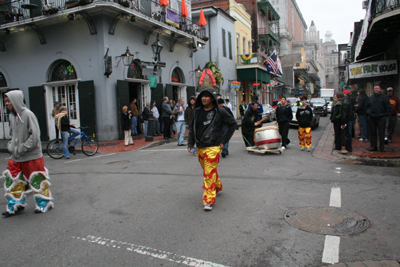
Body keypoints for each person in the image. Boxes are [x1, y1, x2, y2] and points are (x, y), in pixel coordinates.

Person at [3, 90, 54, 217]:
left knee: (37, 180)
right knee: (13, 181)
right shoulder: (11, 116)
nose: (7, 104)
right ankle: (15, 204)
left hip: (31, 156)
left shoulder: (28, 115)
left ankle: (44, 203)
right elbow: (12, 134)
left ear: (16, 101)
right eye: (6, 101)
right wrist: (11, 146)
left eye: (9, 101)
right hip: (15, 156)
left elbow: (35, 136)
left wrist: (22, 148)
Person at [187, 88, 237, 211]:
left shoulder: (220, 111)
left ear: (212, 98)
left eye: (207, 96)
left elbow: (233, 124)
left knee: (208, 173)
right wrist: (190, 143)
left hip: (213, 147)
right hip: (199, 147)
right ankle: (218, 186)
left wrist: (223, 142)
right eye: (202, 96)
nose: (204, 98)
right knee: (208, 170)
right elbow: (192, 128)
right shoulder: (197, 112)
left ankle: (208, 200)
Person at [365, 85, 392, 152]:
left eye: (377, 88)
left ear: (380, 89)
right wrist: (368, 113)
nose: (376, 89)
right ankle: (373, 147)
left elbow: (388, 107)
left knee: (381, 133)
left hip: (381, 117)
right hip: (372, 118)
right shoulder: (371, 98)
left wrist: (385, 115)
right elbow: (366, 106)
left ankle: (382, 147)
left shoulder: (384, 98)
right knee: (372, 133)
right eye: (375, 88)